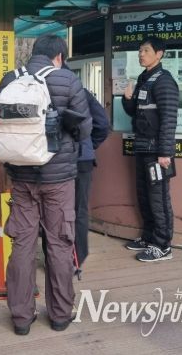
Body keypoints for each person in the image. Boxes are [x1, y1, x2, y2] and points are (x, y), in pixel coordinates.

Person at [0, 34, 92, 335]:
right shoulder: (67, 80)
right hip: (58, 180)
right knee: (59, 244)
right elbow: (85, 130)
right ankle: (60, 314)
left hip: (21, 178)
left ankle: (21, 318)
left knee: (22, 244)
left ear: (34, 53)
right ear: (59, 56)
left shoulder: (9, 79)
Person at [121, 36, 179, 262]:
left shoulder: (164, 81)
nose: (141, 54)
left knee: (158, 199)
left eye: (146, 50)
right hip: (142, 148)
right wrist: (127, 100)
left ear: (159, 54)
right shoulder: (144, 79)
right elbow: (135, 112)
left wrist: (165, 152)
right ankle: (148, 237)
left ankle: (163, 246)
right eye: (140, 51)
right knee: (144, 196)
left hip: (157, 152)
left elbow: (169, 119)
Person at [73, 88, 110, 272]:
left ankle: (55, 258)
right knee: (79, 210)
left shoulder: (42, 88)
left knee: (54, 210)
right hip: (82, 160)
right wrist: (88, 145)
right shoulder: (81, 92)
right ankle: (77, 259)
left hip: (52, 161)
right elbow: (102, 124)